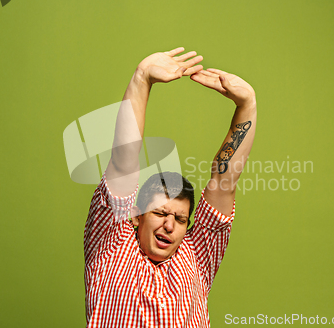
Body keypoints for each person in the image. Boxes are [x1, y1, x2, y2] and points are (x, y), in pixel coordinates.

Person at [84, 47, 257, 327]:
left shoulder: (196, 255)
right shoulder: (112, 245)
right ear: (137, 214)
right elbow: (124, 160)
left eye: (179, 219)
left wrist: (247, 105)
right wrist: (142, 79)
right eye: (160, 213)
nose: (169, 226)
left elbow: (225, 182)